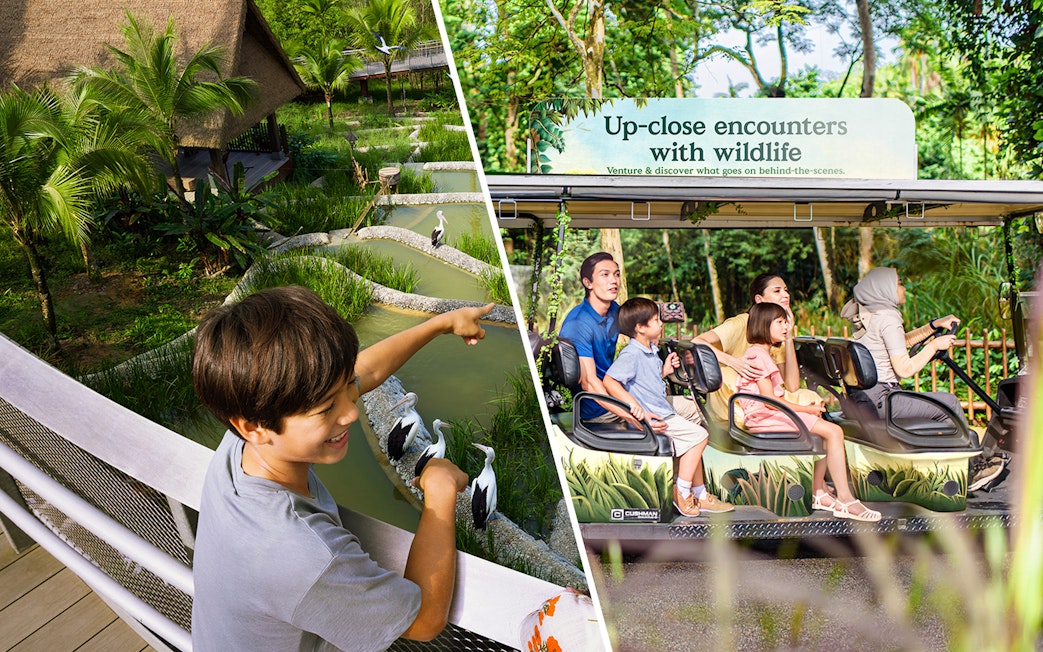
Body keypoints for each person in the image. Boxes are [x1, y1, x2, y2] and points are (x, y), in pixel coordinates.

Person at [190, 285, 492, 651]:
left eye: (348, 387)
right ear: (253, 426)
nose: (351, 411)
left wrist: (441, 324)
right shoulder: (306, 556)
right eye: (325, 409)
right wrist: (440, 492)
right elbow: (425, 620)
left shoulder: (241, 443)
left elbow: (365, 370)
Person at [840, 266, 1007, 491]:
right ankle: (972, 470)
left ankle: (948, 470)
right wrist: (934, 346)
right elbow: (905, 368)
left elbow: (901, 343)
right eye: (899, 283)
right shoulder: (888, 317)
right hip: (883, 400)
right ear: (885, 289)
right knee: (949, 403)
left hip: (865, 399)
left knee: (942, 409)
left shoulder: (871, 314)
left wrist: (933, 326)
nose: (904, 288)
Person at [738, 303, 881, 522]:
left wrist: (809, 411)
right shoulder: (759, 355)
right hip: (764, 416)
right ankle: (845, 499)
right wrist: (806, 408)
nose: (785, 327)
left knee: (822, 424)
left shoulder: (759, 353)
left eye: (785, 322)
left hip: (766, 414)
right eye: (779, 322)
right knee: (834, 432)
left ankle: (818, 492)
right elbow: (769, 401)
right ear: (764, 324)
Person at [602, 297, 734, 516]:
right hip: (656, 412)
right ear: (640, 328)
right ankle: (681, 491)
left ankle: (699, 491)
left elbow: (645, 381)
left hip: (661, 405)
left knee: (696, 413)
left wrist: (664, 371)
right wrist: (635, 407)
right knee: (700, 436)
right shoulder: (632, 354)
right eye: (656, 320)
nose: (661, 323)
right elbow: (610, 381)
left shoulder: (649, 350)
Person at [694, 273, 819, 423]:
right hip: (737, 398)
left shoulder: (776, 333)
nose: (786, 295)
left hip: (764, 395)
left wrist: (788, 335)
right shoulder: (741, 322)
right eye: (777, 291)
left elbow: (792, 387)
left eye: (786, 290)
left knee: (809, 398)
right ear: (759, 299)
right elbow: (697, 341)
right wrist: (733, 362)